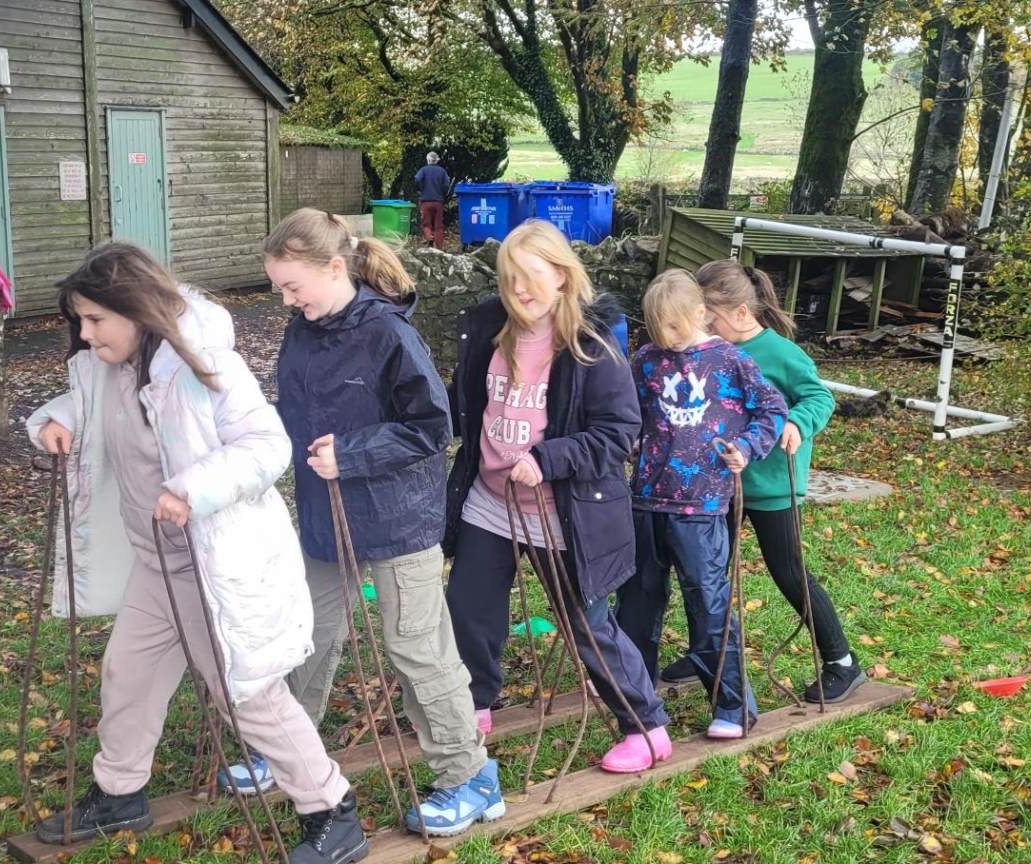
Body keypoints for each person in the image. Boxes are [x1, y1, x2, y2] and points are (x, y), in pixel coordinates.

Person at [27, 242, 367, 863]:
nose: (86, 333)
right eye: (80, 320)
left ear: (135, 309)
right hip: (156, 564)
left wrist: (192, 489)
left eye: (96, 319)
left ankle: (332, 810)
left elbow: (266, 445)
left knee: (248, 696)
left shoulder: (203, 363)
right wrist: (58, 420)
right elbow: (92, 408)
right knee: (127, 674)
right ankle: (120, 792)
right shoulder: (107, 366)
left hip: (213, 564)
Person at [210, 208, 503, 837]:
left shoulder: (389, 333)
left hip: (398, 517)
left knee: (416, 647)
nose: (286, 300)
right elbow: (294, 413)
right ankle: (285, 750)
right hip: (326, 513)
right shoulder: (302, 330)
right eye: (279, 289)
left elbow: (432, 428)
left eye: (293, 286)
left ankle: (469, 776)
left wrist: (352, 453)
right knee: (304, 635)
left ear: (334, 268)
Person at [441, 219, 673, 774]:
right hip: (490, 501)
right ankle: (474, 703)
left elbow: (618, 431)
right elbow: (464, 405)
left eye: (532, 276)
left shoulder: (591, 346)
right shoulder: (487, 330)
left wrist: (547, 459)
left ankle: (646, 726)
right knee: (469, 610)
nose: (519, 289)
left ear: (563, 276)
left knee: (586, 624)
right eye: (509, 277)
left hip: (564, 513)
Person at [613, 269, 787, 740]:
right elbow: (629, 413)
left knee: (708, 604)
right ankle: (636, 696)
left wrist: (746, 447)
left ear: (699, 313)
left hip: (702, 506)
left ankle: (733, 705)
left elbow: (772, 409)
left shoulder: (730, 360)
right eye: (657, 328)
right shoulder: (647, 359)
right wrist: (627, 444)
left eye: (674, 326)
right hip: (645, 501)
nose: (667, 337)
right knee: (637, 602)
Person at [691, 260, 866, 703]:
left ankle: (842, 662)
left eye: (708, 316)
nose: (702, 325)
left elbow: (819, 396)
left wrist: (797, 422)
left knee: (789, 573)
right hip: (722, 485)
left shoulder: (781, 353)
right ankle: (706, 654)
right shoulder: (710, 351)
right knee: (708, 572)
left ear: (740, 313)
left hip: (770, 488)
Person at [413, 152, 451, 249]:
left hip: (425, 201)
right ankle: (438, 247)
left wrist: (420, 189)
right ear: (437, 160)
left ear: (427, 160)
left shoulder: (423, 170)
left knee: (426, 223)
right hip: (438, 201)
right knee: (439, 225)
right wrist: (442, 192)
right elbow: (447, 184)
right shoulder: (442, 171)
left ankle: (429, 237)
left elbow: (417, 179)